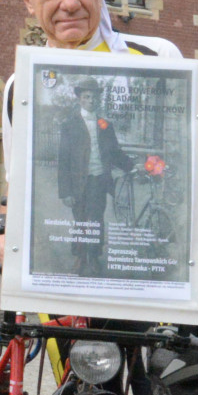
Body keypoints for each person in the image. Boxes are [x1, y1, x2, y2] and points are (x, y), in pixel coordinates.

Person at [0, 0, 198, 395]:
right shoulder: (24, 85)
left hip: (160, 287)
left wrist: (197, 246)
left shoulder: (156, 59)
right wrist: (9, 239)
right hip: (75, 287)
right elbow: (23, 192)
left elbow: (193, 170)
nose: (70, 1)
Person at [57, 76, 133, 276]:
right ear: (80, 99)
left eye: (94, 97)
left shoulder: (105, 125)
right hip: (78, 183)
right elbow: (63, 160)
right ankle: (80, 258)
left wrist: (131, 166)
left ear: (98, 99)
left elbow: (114, 152)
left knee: (96, 220)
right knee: (81, 221)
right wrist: (65, 192)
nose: (91, 100)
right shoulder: (70, 124)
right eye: (87, 97)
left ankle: (94, 257)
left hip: (99, 181)